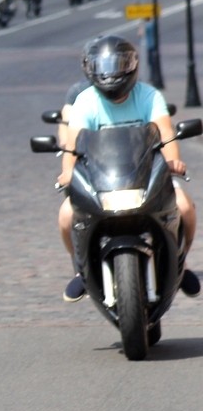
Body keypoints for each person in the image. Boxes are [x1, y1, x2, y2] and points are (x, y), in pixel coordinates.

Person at [58, 36, 199, 302]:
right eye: (106, 66)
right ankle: (81, 269)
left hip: (147, 178)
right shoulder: (86, 102)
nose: (112, 72)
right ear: (92, 69)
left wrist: (173, 161)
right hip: (100, 183)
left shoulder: (149, 96)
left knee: (185, 208)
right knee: (66, 216)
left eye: (119, 64)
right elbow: (72, 144)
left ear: (132, 66)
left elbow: (166, 133)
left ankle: (180, 262)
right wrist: (68, 172)